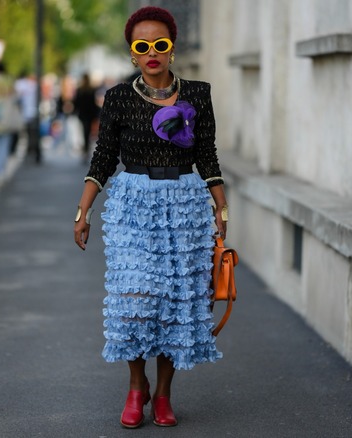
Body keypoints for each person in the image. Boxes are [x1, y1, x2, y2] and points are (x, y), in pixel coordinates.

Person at [73, 6, 229, 429]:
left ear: (172, 48)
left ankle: (163, 395)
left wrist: (221, 205)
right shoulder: (120, 97)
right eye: (143, 46)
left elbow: (206, 154)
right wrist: (83, 210)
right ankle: (136, 386)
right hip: (132, 207)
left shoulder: (197, 93)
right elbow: (103, 157)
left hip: (184, 206)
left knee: (176, 304)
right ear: (133, 54)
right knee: (136, 303)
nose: (152, 52)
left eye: (160, 44)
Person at [73, 73, 100, 163]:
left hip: (83, 114)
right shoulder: (91, 90)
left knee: (85, 132)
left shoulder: (80, 90)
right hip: (89, 114)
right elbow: (93, 103)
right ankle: (86, 149)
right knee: (87, 132)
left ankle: (85, 150)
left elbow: (76, 103)